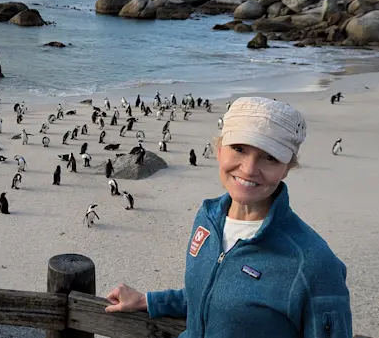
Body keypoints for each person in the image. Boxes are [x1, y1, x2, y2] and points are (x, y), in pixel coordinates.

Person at [104, 97, 352, 337]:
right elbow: (208, 294)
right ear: (219, 149)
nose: (249, 169)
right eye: (239, 148)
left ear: (287, 167)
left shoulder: (313, 264)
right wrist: (149, 301)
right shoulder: (208, 219)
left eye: (270, 157)